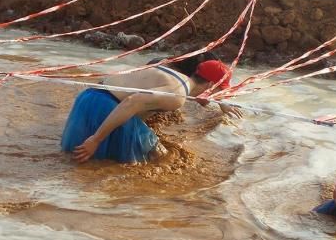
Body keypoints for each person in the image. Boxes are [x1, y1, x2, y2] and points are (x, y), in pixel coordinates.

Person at [62, 59, 232, 163]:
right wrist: (96, 139)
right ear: (211, 85)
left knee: (81, 159)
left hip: (90, 97)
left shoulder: (174, 76)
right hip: (105, 106)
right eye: (220, 91)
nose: (220, 95)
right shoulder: (177, 95)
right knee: (160, 156)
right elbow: (132, 101)